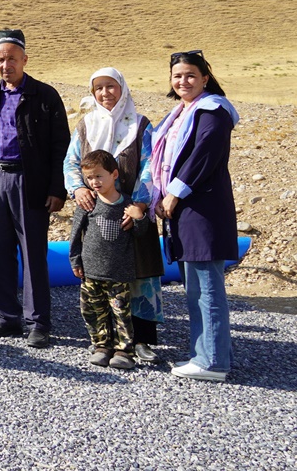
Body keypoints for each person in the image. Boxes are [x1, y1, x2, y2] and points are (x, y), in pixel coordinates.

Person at [143, 51, 239, 382]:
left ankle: (211, 362)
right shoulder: (179, 113)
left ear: (205, 78)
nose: (183, 81)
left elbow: (204, 155)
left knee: (206, 287)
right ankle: (213, 353)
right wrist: (160, 195)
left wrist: (174, 193)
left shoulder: (213, 110)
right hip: (184, 210)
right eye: (177, 76)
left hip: (203, 209)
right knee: (195, 286)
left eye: (190, 75)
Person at [0, 30, 70, 349]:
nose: (6, 65)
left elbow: (60, 145)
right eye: (0, 60)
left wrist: (57, 188)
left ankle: (37, 322)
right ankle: (7, 316)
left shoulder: (45, 95)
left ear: (24, 59)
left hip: (30, 182)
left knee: (33, 254)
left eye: (12, 59)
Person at [64, 67, 163, 362]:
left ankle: (141, 339)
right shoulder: (86, 126)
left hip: (132, 211)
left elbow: (150, 166)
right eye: (99, 88)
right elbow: (71, 162)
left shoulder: (141, 125)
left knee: (140, 273)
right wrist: (78, 189)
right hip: (96, 212)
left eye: (110, 86)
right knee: (101, 275)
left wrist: (140, 205)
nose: (105, 93)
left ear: (123, 89)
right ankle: (105, 340)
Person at [69, 150, 147, 370]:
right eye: (89, 178)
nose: (94, 182)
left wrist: (139, 217)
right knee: (93, 310)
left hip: (118, 273)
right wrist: (75, 261)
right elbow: (75, 235)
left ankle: (124, 351)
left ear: (114, 174)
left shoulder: (128, 205)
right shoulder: (88, 204)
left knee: (121, 312)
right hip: (91, 271)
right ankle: (101, 346)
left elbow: (140, 233)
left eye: (99, 176)